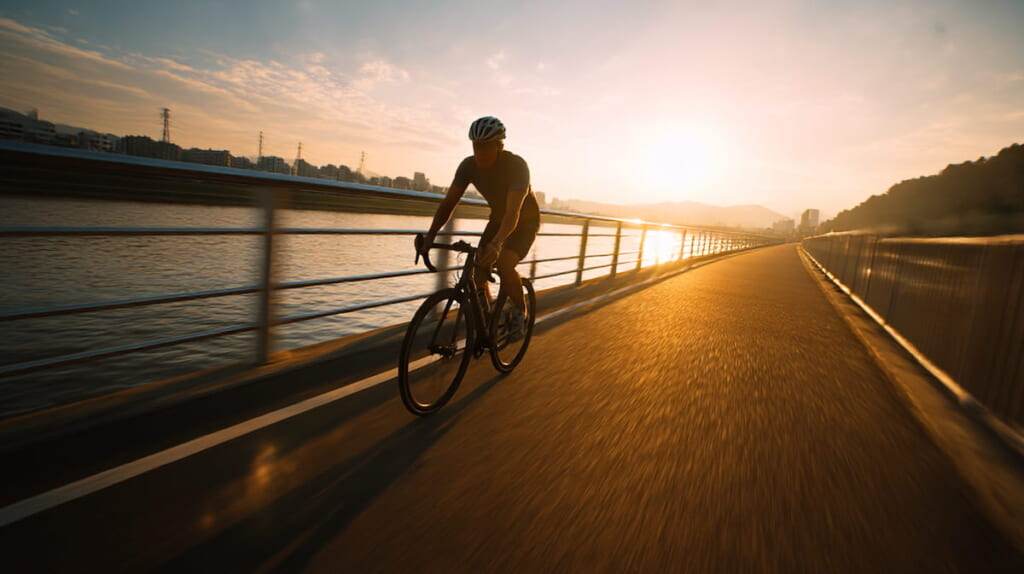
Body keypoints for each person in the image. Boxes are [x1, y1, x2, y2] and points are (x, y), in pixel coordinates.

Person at [419, 116, 540, 339]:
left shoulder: (517, 166)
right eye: (476, 146)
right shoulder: (468, 166)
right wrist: (431, 235)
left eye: (486, 146)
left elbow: (513, 213)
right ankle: (487, 321)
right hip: (498, 220)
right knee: (477, 276)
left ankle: (520, 311)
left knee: (504, 263)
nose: (480, 152)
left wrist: (497, 243)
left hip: (524, 222)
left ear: (499, 146)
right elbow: (448, 203)